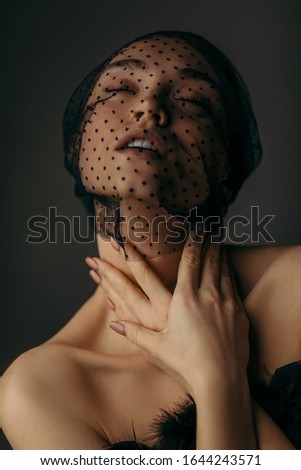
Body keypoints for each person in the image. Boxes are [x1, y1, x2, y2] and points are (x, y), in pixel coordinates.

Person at [1, 30, 301, 450]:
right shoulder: (40, 391)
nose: (148, 107)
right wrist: (213, 376)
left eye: (194, 101)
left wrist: (212, 373)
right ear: (77, 146)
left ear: (229, 169)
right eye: (119, 88)